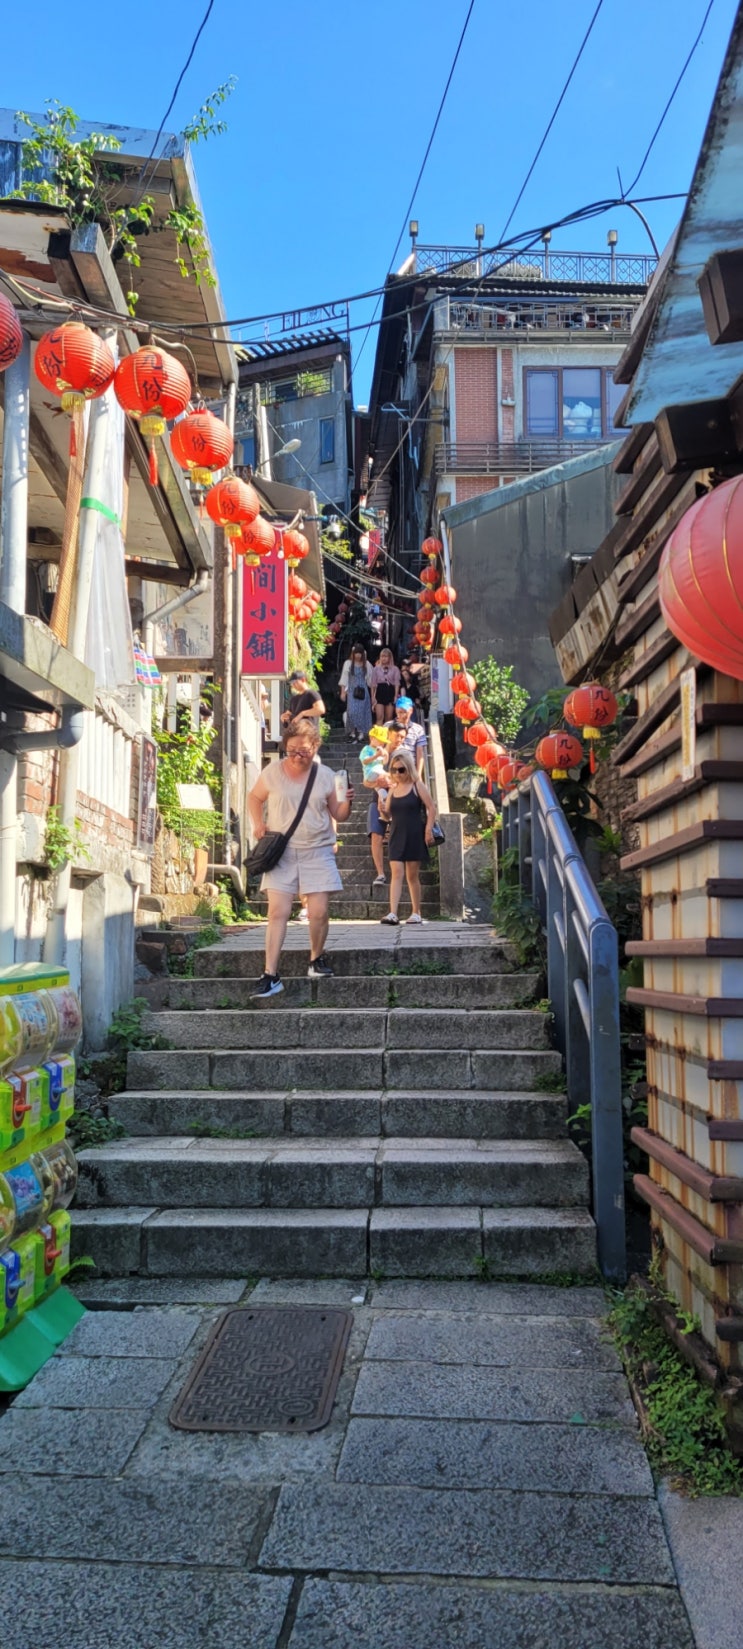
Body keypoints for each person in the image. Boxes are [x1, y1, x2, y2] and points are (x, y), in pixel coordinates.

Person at [247, 720, 354, 998]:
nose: (297, 756)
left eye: (303, 750)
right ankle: (270, 974)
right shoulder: (273, 772)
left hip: (317, 850)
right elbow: (254, 798)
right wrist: (258, 823)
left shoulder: (327, 776)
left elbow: (339, 815)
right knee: (277, 912)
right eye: (292, 750)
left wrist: (347, 800)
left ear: (315, 746)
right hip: (282, 851)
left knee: (318, 911)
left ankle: (316, 958)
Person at [377, 745, 437, 925]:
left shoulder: (417, 785)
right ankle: (393, 912)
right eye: (394, 770)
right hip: (396, 833)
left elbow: (431, 807)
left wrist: (428, 829)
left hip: (414, 833)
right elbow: (388, 815)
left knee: (412, 875)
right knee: (396, 872)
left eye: (401, 769)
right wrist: (382, 810)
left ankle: (416, 911)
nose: (397, 773)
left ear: (409, 768)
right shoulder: (393, 789)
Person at [362, 722, 406, 885]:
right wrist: (378, 784)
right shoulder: (375, 752)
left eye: (403, 737)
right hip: (377, 799)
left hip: (398, 800)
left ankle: (400, 873)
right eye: (397, 736)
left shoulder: (404, 755)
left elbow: (406, 779)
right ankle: (380, 873)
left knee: (399, 835)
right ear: (389, 735)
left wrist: (390, 782)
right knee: (376, 834)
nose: (399, 740)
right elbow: (365, 782)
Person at [339, 645, 373, 742]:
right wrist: (343, 692)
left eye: (360, 653)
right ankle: (352, 732)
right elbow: (344, 678)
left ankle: (361, 733)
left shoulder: (366, 664)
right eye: (356, 653)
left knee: (362, 712)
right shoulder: (348, 663)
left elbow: (370, 680)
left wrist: (373, 694)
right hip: (352, 691)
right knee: (351, 712)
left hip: (363, 691)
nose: (358, 655)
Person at [394, 696, 427, 777]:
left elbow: (420, 753)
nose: (401, 715)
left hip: (410, 770)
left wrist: (418, 775)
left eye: (404, 712)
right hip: (393, 770)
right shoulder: (388, 727)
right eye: (399, 712)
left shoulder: (418, 729)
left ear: (411, 711)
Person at [370, 647, 401, 726]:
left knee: (389, 717)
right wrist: (372, 697)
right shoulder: (376, 669)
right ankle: (379, 732)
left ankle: (387, 732)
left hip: (390, 691)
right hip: (380, 691)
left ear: (389, 657)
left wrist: (395, 696)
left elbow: (396, 683)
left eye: (385, 656)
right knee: (379, 716)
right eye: (382, 656)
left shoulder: (395, 669)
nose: (383, 658)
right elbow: (373, 684)